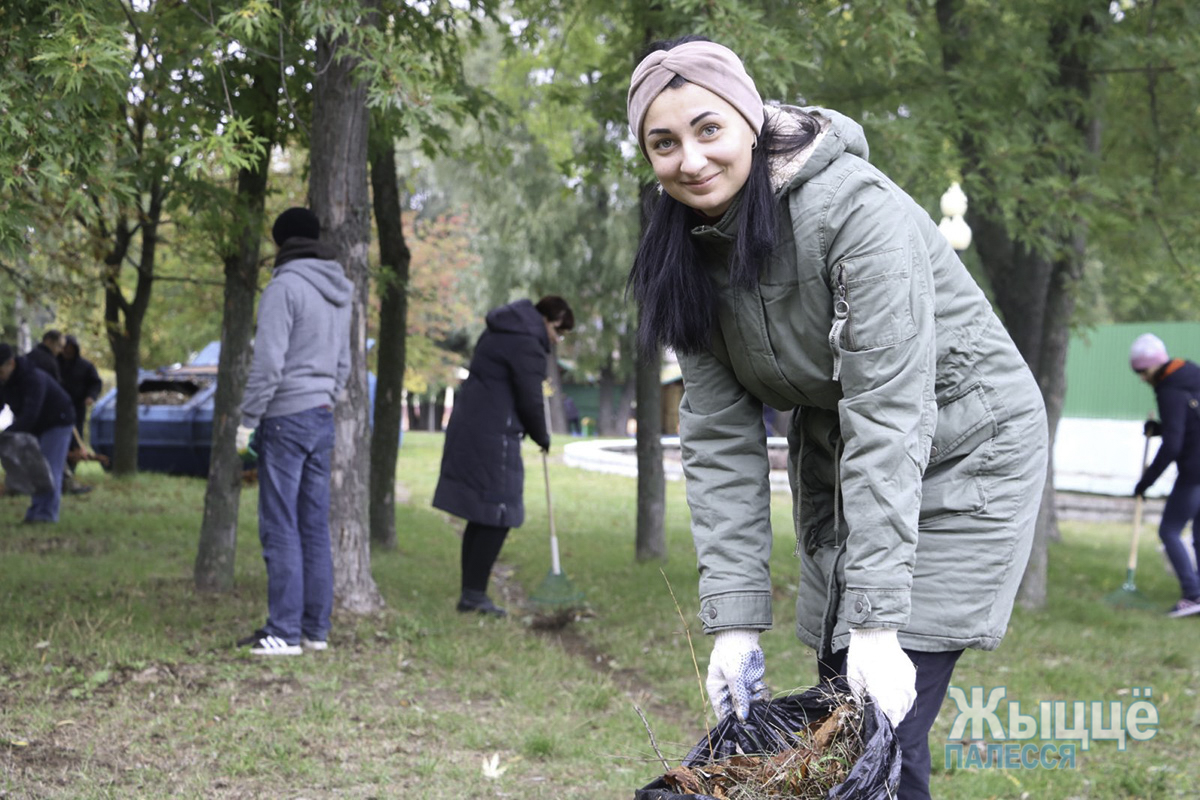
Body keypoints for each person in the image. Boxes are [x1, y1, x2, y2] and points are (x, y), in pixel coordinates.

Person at [626, 38, 1048, 800]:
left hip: (964, 451)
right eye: (664, 143)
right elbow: (720, 442)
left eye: (708, 128)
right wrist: (734, 623)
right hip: (850, 459)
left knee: (876, 716)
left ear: (750, 119)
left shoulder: (857, 212)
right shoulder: (683, 253)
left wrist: (880, 623)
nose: (690, 159)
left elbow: (891, 412)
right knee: (853, 717)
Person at [235, 207, 352, 656]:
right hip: (322, 415)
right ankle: (313, 631)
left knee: (280, 524)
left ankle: (282, 632)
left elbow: (267, 365)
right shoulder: (340, 291)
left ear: (281, 243)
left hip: (284, 417)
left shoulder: (284, 287)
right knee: (313, 526)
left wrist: (248, 420)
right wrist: (326, 396)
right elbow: (344, 363)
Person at [433, 295, 575, 617]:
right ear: (550, 321)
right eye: (560, 332)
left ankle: (471, 595)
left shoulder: (505, 329)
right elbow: (529, 397)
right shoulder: (526, 342)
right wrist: (542, 435)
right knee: (500, 512)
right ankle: (473, 596)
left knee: (482, 512)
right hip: (492, 434)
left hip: (474, 426)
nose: (557, 340)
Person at [1129, 333, 1200, 617]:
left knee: (1169, 530)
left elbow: (1173, 444)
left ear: (1155, 366)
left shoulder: (1170, 390)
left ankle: (1193, 595)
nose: (1142, 378)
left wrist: (1145, 483)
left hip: (1195, 470)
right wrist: (1159, 428)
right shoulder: (1191, 376)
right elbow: (1188, 424)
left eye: (1143, 371)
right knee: (1198, 534)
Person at [0, 342, 77, 523]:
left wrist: (5, 435)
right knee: (36, 469)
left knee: (49, 468)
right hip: (36, 426)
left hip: (58, 420)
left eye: (0, 371)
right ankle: (36, 511)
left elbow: (30, 414)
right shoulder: (5, 381)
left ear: (11, 364)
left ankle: (46, 515)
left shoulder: (33, 378)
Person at [57, 335, 104, 492]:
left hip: (77, 408)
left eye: (70, 349)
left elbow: (95, 383)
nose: (67, 352)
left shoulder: (85, 366)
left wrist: (91, 396)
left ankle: (71, 470)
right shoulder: (55, 364)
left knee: (75, 441)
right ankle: (61, 471)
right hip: (57, 409)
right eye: (65, 349)